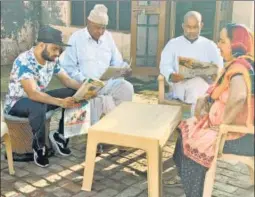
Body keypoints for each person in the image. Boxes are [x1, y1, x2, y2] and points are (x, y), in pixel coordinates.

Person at [172, 23, 254, 197]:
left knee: (193, 145)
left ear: (236, 44)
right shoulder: (238, 65)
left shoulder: (240, 69)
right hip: (228, 130)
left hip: (238, 136)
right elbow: (220, 89)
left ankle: (196, 192)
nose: (218, 45)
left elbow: (238, 97)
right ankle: (188, 184)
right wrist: (206, 99)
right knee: (184, 130)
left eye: (223, 41)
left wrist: (223, 126)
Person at [4, 26, 82, 168]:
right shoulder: (24, 61)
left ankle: (61, 136)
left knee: (74, 94)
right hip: (17, 104)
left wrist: (86, 89)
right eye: (54, 49)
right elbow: (33, 93)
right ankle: (39, 147)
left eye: (60, 50)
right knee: (38, 102)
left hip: (38, 99)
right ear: (41, 45)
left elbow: (67, 81)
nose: (57, 53)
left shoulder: (52, 60)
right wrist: (60, 102)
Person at [59, 4, 134, 125]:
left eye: (103, 28)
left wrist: (124, 69)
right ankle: (96, 134)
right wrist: (85, 81)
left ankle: (118, 126)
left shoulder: (108, 37)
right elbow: (69, 68)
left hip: (107, 83)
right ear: (88, 22)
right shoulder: (77, 38)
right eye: (97, 27)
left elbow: (117, 61)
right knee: (96, 99)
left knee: (127, 88)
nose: (101, 31)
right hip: (85, 84)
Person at [160, 11, 223, 106]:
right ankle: (194, 116)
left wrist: (209, 73)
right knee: (193, 89)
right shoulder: (173, 44)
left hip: (203, 85)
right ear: (183, 26)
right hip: (180, 85)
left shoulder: (210, 45)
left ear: (201, 25)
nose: (192, 31)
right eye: (188, 27)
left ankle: (192, 115)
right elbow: (164, 65)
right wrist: (171, 75)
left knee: (197, 84)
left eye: (195, 27)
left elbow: (219, 67)